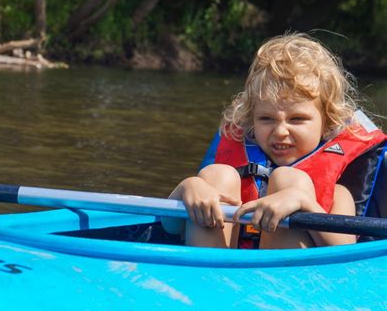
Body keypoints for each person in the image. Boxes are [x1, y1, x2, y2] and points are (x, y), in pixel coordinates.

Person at [161, 33, 386, 249]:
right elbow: (169, 227)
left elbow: (344, 247)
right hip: (215, 273)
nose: (280, 131)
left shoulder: (338, 192)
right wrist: (187, 188)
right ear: (251, 120)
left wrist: (303, 203)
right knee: (214, 175)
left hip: (285, 282)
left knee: (289, 179)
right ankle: (205, 278)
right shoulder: (226, 173)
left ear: (326, 122)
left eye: (297, 119)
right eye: (266, 119)